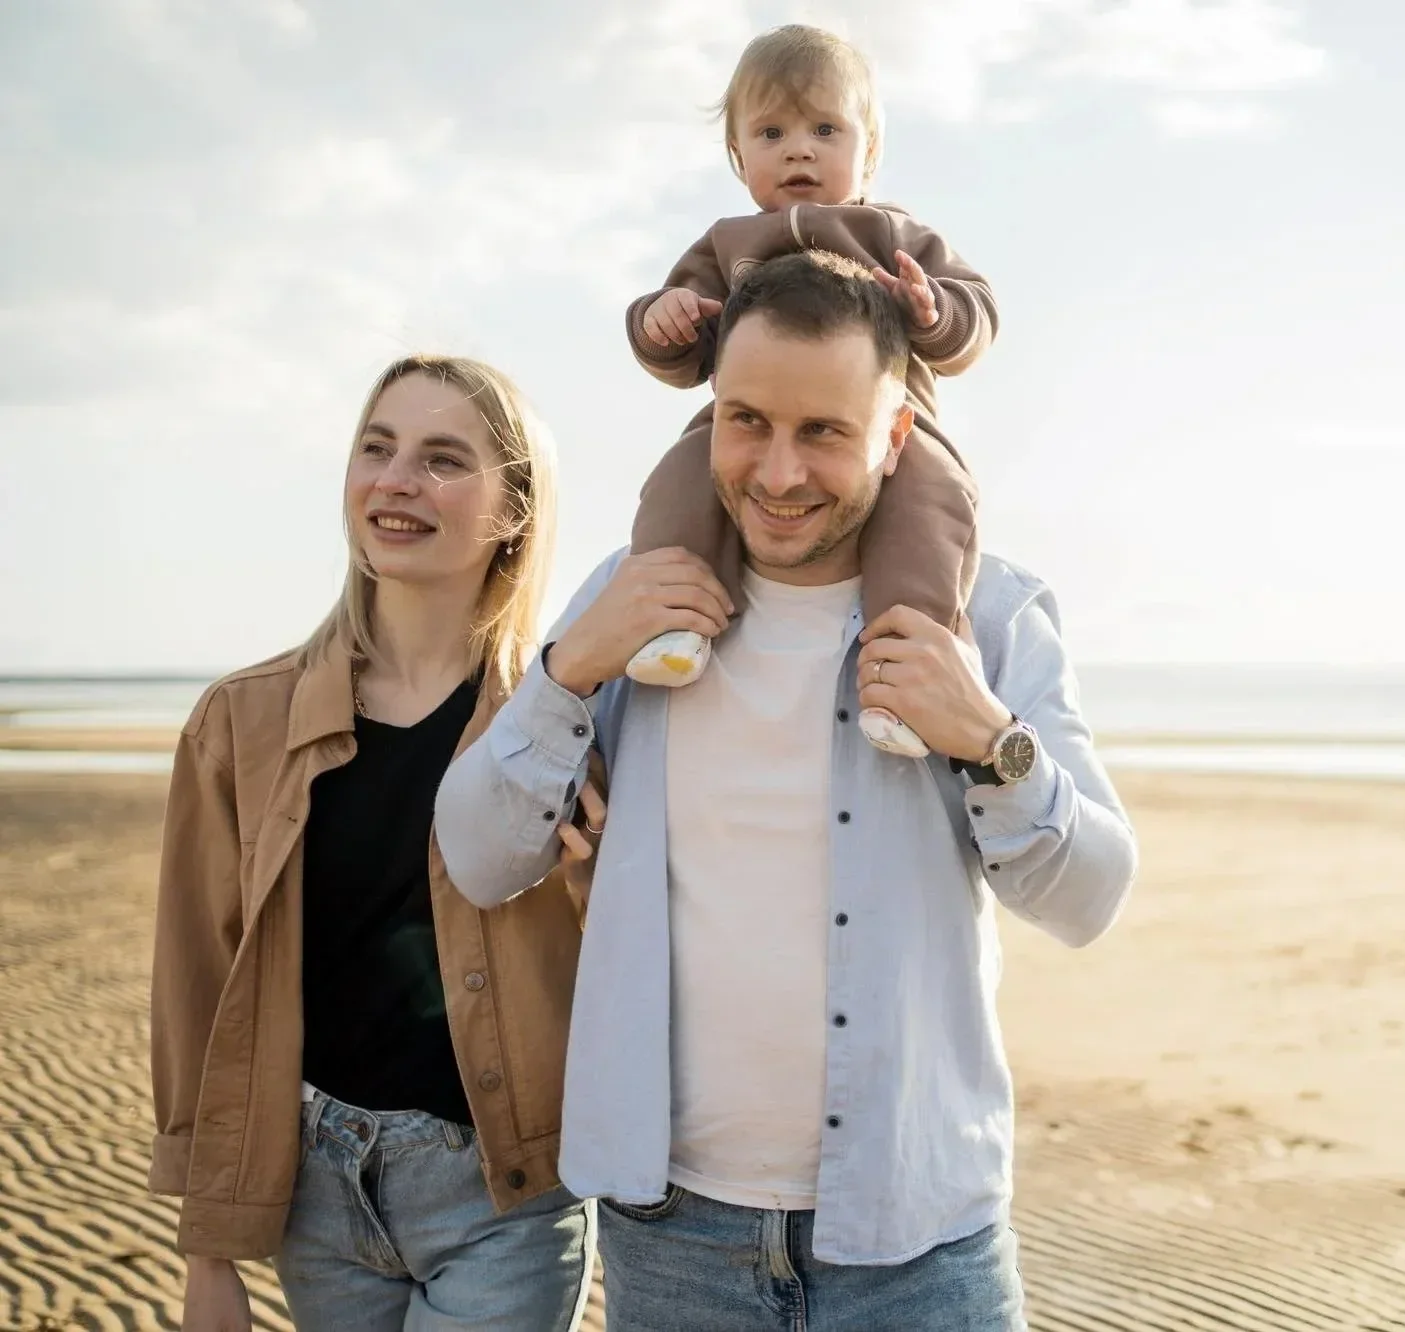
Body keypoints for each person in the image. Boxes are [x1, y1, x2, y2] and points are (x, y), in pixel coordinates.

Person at [436, 252, 1138, 1330]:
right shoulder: (629, 605)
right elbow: (479, 859)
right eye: (747, 420)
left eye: (824, 432)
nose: (775, 472)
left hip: (920, 1241)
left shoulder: (987, 617)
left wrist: (992, 742)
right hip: (672, 1236)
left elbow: (1090, 900)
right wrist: (569, 669)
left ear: (895, 437)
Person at [149, 356, 595, 1332]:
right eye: (377, 449)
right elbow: (197, 982)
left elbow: (635, 958)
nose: (395, 482)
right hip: (318, 1192)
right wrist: (207, 1254)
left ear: (514, 509)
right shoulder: (238, 723)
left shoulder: (569, 728)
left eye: (442, 459)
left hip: (505, 1195)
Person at [621, 23, 994, 763]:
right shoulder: (726, 245)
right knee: (676, 484)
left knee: (934, 509)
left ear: (870, 150)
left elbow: (976, 312)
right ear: (737, 155)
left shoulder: (892, 232)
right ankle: (676, 622)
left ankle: (905, 672)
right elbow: (677, 345)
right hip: (749, 422)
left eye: (825, 128)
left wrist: (934, 310)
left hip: (885, 433)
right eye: (770, 131)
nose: (799, 148)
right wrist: (660, 323)